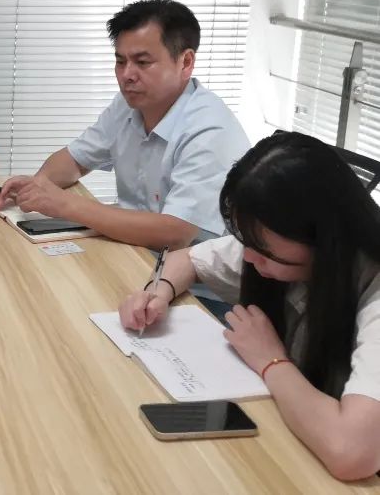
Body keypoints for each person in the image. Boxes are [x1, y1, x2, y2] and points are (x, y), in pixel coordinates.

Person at [119, 132, 380, 481]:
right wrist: (158, 292)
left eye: (265, 252)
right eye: (246, 242)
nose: (250, 259)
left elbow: (352, 453)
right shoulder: (276, 251)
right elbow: (187, 260)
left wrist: (271, 360)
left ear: (326, 236)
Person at [0, 0, 249, 250]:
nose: (127, 75)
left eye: (142, 62)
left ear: (186, 62)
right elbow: (75, 159)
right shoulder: (128, 104)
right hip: (135, 250)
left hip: (194, 272)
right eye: (120, 61)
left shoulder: (210, 130)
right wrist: (37, 188)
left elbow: (175, 234)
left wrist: (64, 204)